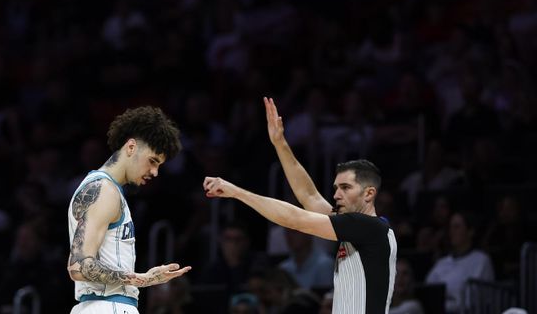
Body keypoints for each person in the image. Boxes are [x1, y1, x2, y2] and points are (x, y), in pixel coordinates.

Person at [204, 98, 396, 314]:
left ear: (369, 193)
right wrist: (280, 142)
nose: (336, 194)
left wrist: (236, 192)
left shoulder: (368, 228)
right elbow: (309, 196)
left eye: (345, 187)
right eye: (336, 188)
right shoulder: (359, 229)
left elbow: (293, 219)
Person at [67, 105, 191, 313]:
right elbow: (79, 266)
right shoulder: (105, 191)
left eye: (159, 165)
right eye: (152, 161)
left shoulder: (100, 187)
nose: (155, 172)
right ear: (131, 147)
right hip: (109, 306)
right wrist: (140, 279)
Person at [425, 211, 494, 314]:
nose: (452, 231)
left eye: (457, 227)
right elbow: (428, 292)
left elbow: (474, 301)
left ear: (470, 231)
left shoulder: (482, 260)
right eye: (450, 227)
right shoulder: (442, 263)